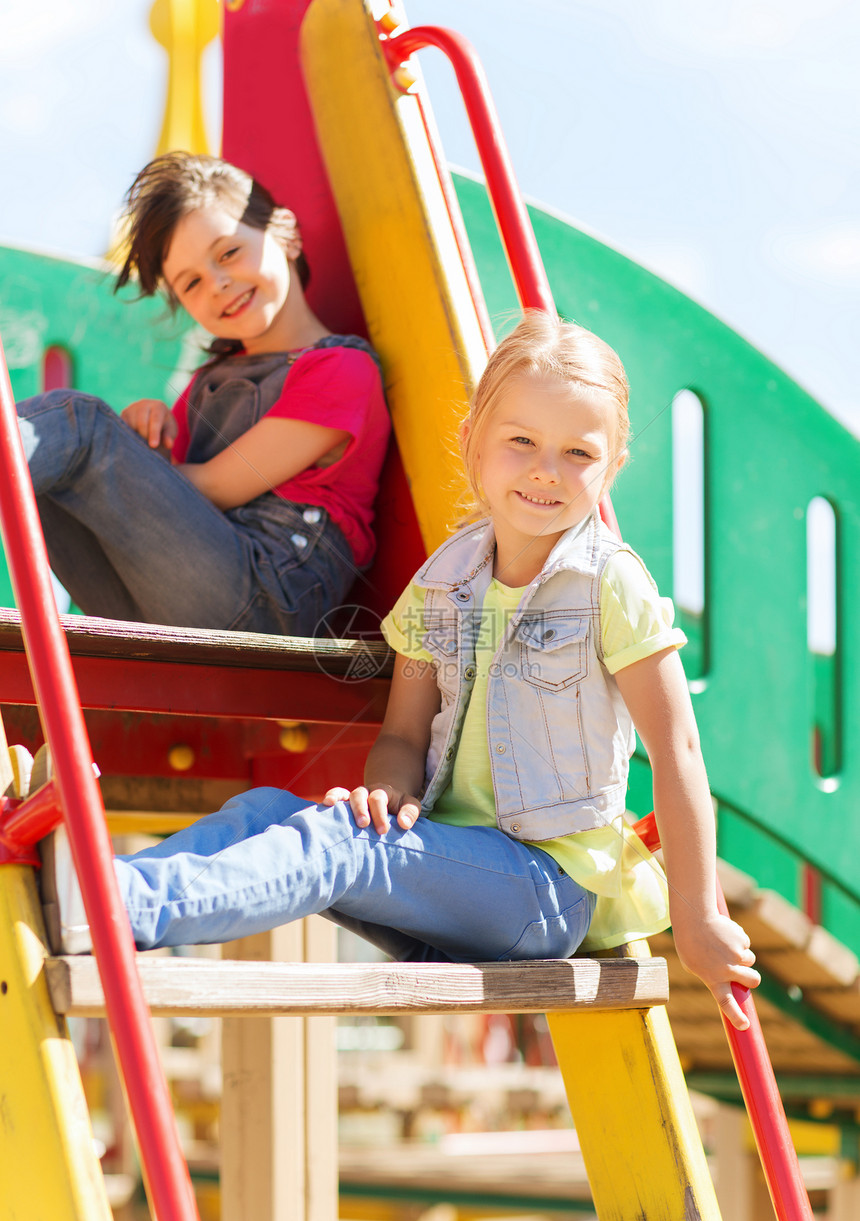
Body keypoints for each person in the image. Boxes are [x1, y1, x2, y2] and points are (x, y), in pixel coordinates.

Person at [41, 311, 760, 1029]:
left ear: (611, 468)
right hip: (451, 879)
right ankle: (106, 895)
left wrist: (698, 918)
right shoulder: (442, 584)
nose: (547, 469)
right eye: (521, 442)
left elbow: (678, 751)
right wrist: (386, 794)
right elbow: (404, 736)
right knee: (270, 811)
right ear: (471, 442)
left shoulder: (608, 584)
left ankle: (112, 909)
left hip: (545, 891)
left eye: (578, 452)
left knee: (340, 846)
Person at [15, 152, 390, 634]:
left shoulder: (341, 369)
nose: (217, 284)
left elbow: (215, 486)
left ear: (286, 234)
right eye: (191, 282)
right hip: (172, 596)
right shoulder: (208, 384)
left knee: (79, 425)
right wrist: (144, 443)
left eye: (229, 253)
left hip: (269, 599)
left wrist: (113, 457)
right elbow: (166, 506)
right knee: (49, 472)